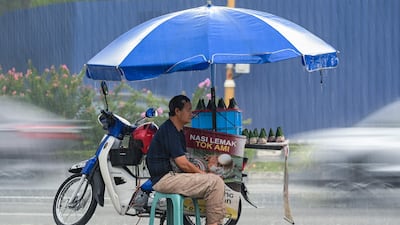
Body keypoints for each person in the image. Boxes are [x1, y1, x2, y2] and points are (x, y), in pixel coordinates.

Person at [146, 95, 225, 225]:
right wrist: (204, 175)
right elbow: (183, 164)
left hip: (172, 176)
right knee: (214, 183)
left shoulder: (178, 131)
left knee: (215, 179)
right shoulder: (169, 130)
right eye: (188, 110)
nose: (191, 113)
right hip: (165, 179)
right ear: (177, 111)